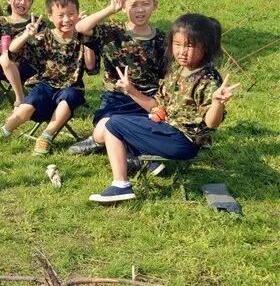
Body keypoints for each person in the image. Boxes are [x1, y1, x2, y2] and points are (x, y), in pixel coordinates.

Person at [90, 14, 239, 203]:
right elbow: (156, 105)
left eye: (190, 46)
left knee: (115, 124)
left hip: (183, 142)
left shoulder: (208, 80)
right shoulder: (177, 70)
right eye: (177, 44)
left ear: (206, 47)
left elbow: (211, 123)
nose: (182, 51)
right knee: (111, 124)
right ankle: (138, 164)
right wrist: (131, 90)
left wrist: (217, 102)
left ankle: (121, 185)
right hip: (167, 129)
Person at [0, 0, 96, 155]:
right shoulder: (45, 36)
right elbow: (12, 51)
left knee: (68, 97)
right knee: (31, 101)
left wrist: (86, 37)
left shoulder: (82, 37)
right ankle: (5, 130)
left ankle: (47, 135)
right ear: (50, 16)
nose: (66, 20)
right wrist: (26, 35)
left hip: (72, 86)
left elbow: (91, 67)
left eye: (71, 14)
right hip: (45, 83)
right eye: (61, 15)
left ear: (77, 14)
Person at [69, 0, 167, 156]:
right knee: (103, 129)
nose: (140, 10)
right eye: (133, 5)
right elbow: (80, 27)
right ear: (123, 7)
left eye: (145, 4)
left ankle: (125, 148)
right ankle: (101, 140)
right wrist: (110, 9)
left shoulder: (162, 39)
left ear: (155, 5)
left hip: (146, 99)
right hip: (116, 98)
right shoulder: (112, 32)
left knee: (152, 125)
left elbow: (167, 74)